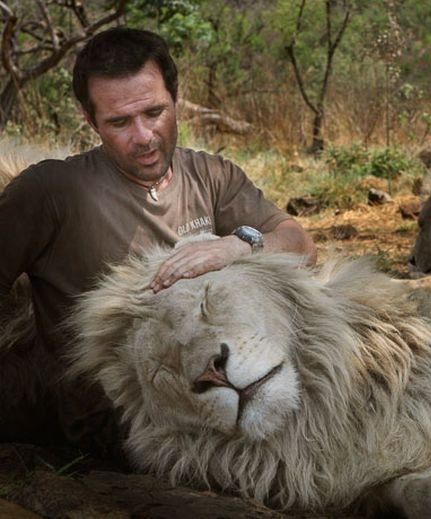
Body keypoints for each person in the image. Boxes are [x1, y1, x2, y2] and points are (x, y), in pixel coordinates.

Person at [0, 27, 316, 449]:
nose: (144, 137)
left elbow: (301, 245)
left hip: (221, 384)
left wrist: (234, 246)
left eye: (154, 112)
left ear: (175, 98)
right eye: (119, 121)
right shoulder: (51, 192)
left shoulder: (212, 175)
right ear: (90, 120)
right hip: (120, 423)